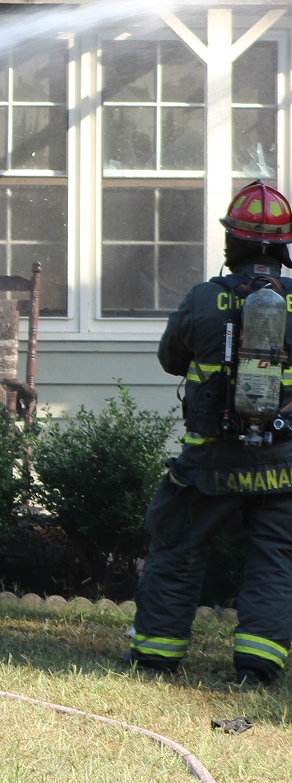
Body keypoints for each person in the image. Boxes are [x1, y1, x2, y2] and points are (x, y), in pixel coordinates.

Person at [128, 180, 292, 687]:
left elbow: (170, 358)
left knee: (178, 549)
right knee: (275, 559)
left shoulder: (204, 298)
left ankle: (156, 658)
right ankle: (258, 668)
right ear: (283, 248)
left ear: (233, 242)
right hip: (284, 466)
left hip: (209, 464)